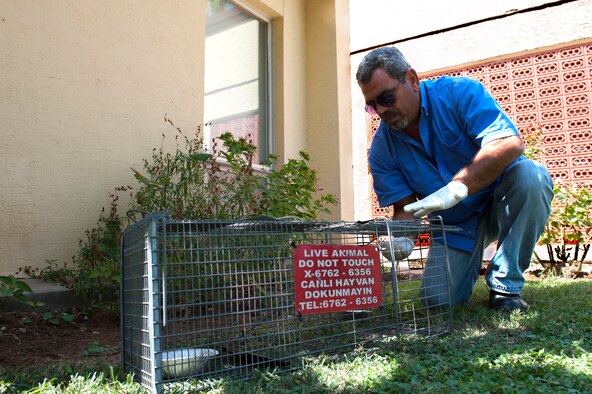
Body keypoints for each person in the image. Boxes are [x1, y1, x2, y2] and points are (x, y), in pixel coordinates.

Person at [356, 47, 554, 312]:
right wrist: (401, 240)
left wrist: (459, 185)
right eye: (372, 105)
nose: (381, 110)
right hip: (457, 226)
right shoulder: (382, 149)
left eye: (387, 97)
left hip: (502, 201)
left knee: (532, 175)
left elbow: (509, 143)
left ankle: (505, 288)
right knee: (436, 301)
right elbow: (405, 209)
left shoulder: (458, 93)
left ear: (412, 80)